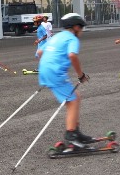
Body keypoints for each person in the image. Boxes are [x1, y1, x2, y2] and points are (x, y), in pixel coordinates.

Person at [37, 13, 92, 148]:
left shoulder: (57, 36)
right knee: (72, 101)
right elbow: (72, 55)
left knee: (75, 97)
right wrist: (81, 75)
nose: (82, 31)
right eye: (81, 28)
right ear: (75, 27)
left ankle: (75, 131)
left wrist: (48, 65)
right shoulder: (72, 39)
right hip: (55, 73)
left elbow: (39, 52)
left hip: (45, 71)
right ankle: (71, 135)